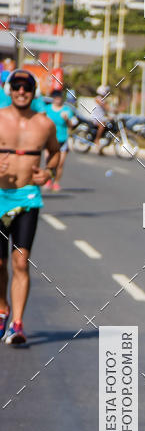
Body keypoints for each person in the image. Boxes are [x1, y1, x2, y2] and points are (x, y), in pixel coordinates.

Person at [0, 70, 60, 345]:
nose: (21, 91)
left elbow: (55, 152)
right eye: (16, 86)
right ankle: (2, 309)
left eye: (26, 87)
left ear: (34, 91)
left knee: (20, 261)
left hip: (28, 198)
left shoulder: (44, 124)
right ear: (8, 90)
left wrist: (48, 172)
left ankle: (18, 324)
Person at [43, 88, 71, 191]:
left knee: (60, 163)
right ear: (53, 98)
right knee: (49, 162)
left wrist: (67, 119)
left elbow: (71, 125)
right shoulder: (47, 109)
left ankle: (56, 182)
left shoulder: (66, 110)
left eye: (59, 97)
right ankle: (48, 180)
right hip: (50, 139)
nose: (57, 99)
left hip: (62, 139)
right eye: (55, 97)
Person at [90, 85, 110, 153]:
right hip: (96, 118)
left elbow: (105, 110)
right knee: (102, 125)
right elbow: (104, 106)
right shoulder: (97, 98)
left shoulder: (104, 100)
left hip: (101, 118)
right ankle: (97, 139)